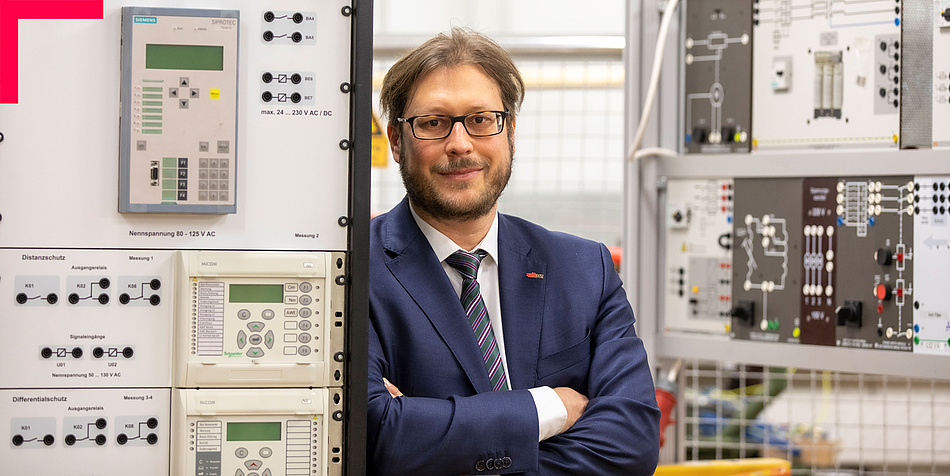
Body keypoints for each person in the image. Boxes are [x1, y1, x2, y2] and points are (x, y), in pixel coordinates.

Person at [367, 27, 660, 476]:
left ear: (511, 133)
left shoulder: (585, 269)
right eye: (433, 123)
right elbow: (376, 437)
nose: (460, 144)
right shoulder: (354, 273)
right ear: (395, 140)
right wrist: (548, 408)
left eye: (481, 120)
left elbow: (632, 444)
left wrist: (431, 441)